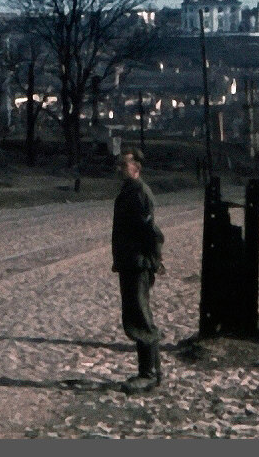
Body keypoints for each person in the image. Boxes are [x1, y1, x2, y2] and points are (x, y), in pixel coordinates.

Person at [111, 146, 165, 393]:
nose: (120, 169)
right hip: (129, 261)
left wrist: (153, 260)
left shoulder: (139, 193)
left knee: (140, 316)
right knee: (135, 314)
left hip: (138, 262)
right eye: (119, 164)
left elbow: (151, 232)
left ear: (137, 167)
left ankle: (149, 374)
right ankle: (153, 371)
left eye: (124, 165)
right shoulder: (129, 190)